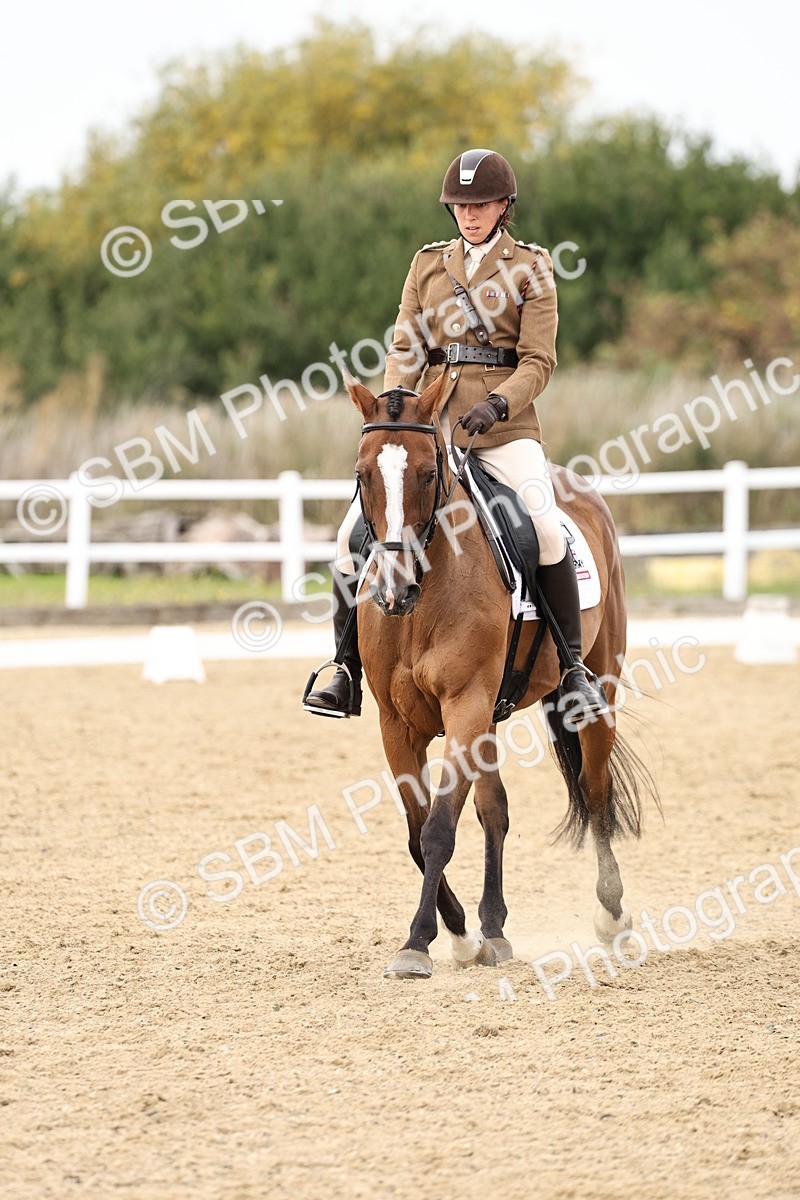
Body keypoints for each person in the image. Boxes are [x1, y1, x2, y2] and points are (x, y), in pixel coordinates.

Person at [306, 147, 609, 723]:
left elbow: (539, 361)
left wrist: (499, 403)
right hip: (429, 430)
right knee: (350, 536)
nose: (470, 214)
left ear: (504, 206)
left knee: (547, 530)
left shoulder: (532, 267)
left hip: (504, 432)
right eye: (461, 206)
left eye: (482, 204)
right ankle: (343, 668)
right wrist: (398, 411)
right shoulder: (427, 265)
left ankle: (572, 668)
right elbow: (405, 346)